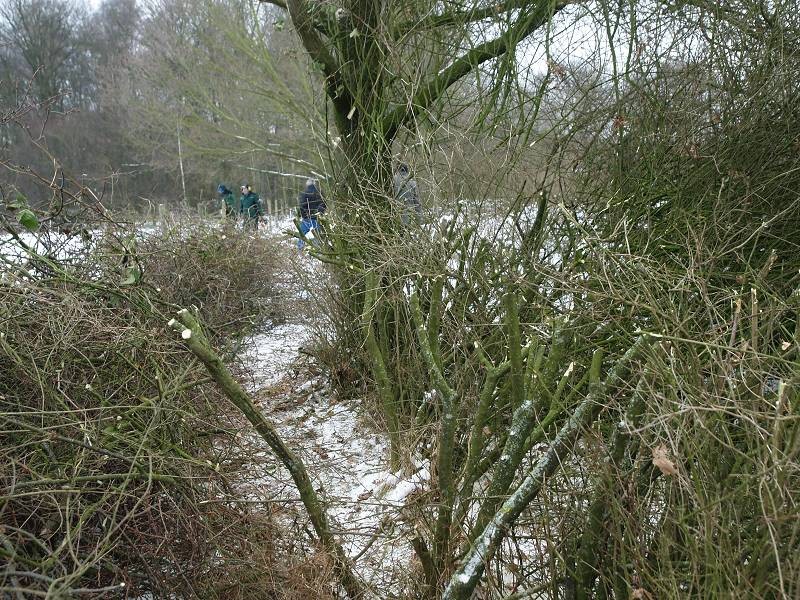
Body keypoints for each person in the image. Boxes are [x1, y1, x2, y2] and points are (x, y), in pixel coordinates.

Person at [297, 178, 326, 249]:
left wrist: (303, 215)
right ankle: (318, 250)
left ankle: (300, 250)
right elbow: (324, 204)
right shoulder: (320, 192)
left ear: (307, 184)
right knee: (317, 235)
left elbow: (302, 206)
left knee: (302, 234)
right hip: (317, 218)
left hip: (307, 218)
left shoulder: (304, 193)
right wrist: (320, 213)